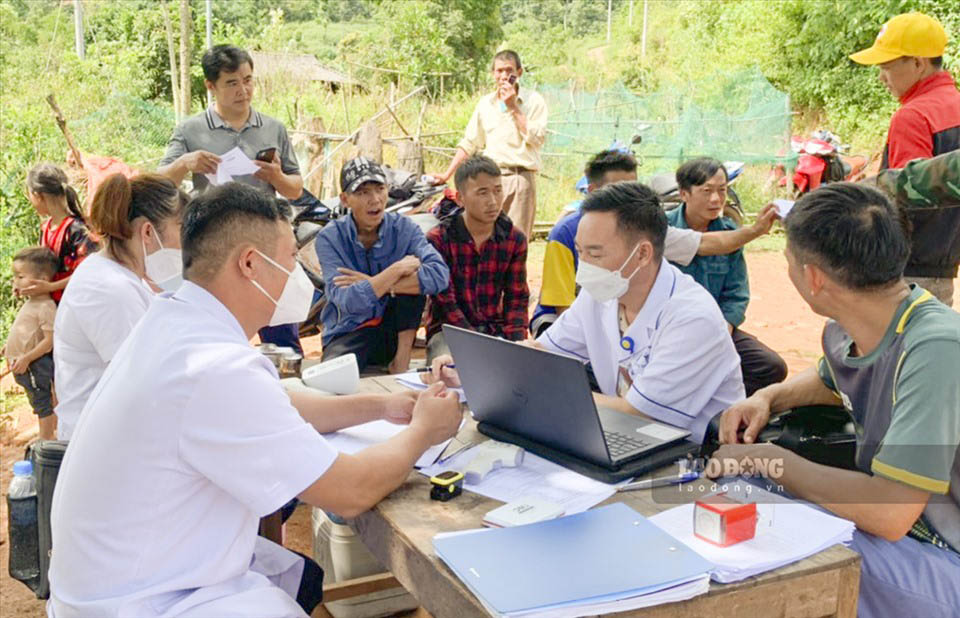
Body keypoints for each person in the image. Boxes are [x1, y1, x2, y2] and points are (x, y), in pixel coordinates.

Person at [47, 182, 462, 618]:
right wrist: (423, 433)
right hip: (145, 600)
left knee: (296, 580)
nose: (297, 278)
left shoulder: (175, 323)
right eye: (288, 262)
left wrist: (380, 406)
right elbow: (350, 490)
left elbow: (273, 402)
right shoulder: (214, 368)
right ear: (249, 263)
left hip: (125, 579)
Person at [714, 182, 960, 618]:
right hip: (904, 541)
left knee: (763, 537)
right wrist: (769, 397)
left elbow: (891, 513)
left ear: (813, 278)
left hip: (941, 554)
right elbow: (834, 380)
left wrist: (772, 461)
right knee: (740, 498)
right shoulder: (861, 324)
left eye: (789, 260)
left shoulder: (936, 348)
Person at [430, 182, 744, 443]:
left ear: (642, 254)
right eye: (580, 252)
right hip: (624, 438)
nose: (584, 267)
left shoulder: (691, 317)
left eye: (594, 253)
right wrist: (477, 367)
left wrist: (541, 393)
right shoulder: (603, 294)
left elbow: (641, 413)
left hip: (693, 460)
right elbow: (542, 351)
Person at [530, 149, 781, 338]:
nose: (626, 200)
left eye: (632, 189)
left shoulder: (650, 229)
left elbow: (711, 244)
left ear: (644, 252)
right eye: (585, 252)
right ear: (594, 191)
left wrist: (755, 230)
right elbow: (564, 312)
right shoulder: (563, 235)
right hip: (565, 318)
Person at [157, 43, 304, 351]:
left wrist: (276, 177)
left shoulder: (273, 128)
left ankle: (286, 391)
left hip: (266, 243)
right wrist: (186, 163)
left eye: (248, 80)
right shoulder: (190, 130)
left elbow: (296, 188)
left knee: (280, 330)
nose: (244, 90)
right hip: (214, 245)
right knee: (214, 329)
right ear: (211, 86)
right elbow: (158, 183)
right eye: (232, 83)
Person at [53, 173, 187, 440]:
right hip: (101, 443)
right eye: (182, 228)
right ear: (148, 232)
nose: (186, 242)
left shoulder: (124, 277)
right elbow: (146, 384)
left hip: (114, 435)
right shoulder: (109, 289)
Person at [850, 12, 960, 304]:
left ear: (917, 63)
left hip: (905, 271)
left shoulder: (913, 116)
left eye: (886, 66)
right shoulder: (955, 105)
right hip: (942, 264)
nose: (881, 77)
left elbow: (903, 201)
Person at [666, 158, 787, 395]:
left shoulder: (731, 232)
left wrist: (723, 330)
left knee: (771, 367)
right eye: (707, 191)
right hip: (670, 329)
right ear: (684, 194)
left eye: (722, 191)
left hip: (716, 328)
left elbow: (736, 293)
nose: (716, 199)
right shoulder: (662, 228)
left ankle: (725, 412)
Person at [316, 157, 449, 373]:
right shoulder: (330, 237)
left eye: (380, 189)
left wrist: (375, 284)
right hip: (350, 329)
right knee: (331, 376)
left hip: (394, 332)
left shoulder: (405, 228)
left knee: (415, 284)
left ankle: (401, 361)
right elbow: (347, 301)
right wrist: (394, 271)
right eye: (362, 193)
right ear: (344, 199)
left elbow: (439, 276)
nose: (375, 199)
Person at [430, 50, 547, 241]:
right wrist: (446, 174)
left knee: (516, 242)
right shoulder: (486, 104)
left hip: (520, 179)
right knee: (485, 239)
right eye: (499, 71)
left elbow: (537, 139)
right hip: (490, 180)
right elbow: (469, 142)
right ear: (493, 73)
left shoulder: (534, 101)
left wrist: (514, 107)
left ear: (519, 72)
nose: (503, 76)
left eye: (509, 71)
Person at [425, 155, 529, 362]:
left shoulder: (514, 239)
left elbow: (516, 298)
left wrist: (517, 344)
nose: (492, 201)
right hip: (450, 332)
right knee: (447, 369)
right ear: (460, 198)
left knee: (520, 370)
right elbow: (446, 303)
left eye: (497, 190)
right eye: (482, 193)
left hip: (494, 329)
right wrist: (476, 345)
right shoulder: (439, 239)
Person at [22, 163, 98, 303]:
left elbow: (88, 272)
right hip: (52, 305)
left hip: (75, 304)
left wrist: (50, 287)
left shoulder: (77, 230)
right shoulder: (45, 228)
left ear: (38, 196)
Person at [3, 248, 58, 440]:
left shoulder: (46, 306)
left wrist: (27, 357)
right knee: (37, 400)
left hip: (35, 365)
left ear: (43, 279)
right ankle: (49, 435)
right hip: (25, 365)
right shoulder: (31, 302)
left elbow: (49, 341)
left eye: (20, 277)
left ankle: (46, 439)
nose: (15, 282)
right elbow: (28, 333)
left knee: (42, 403)